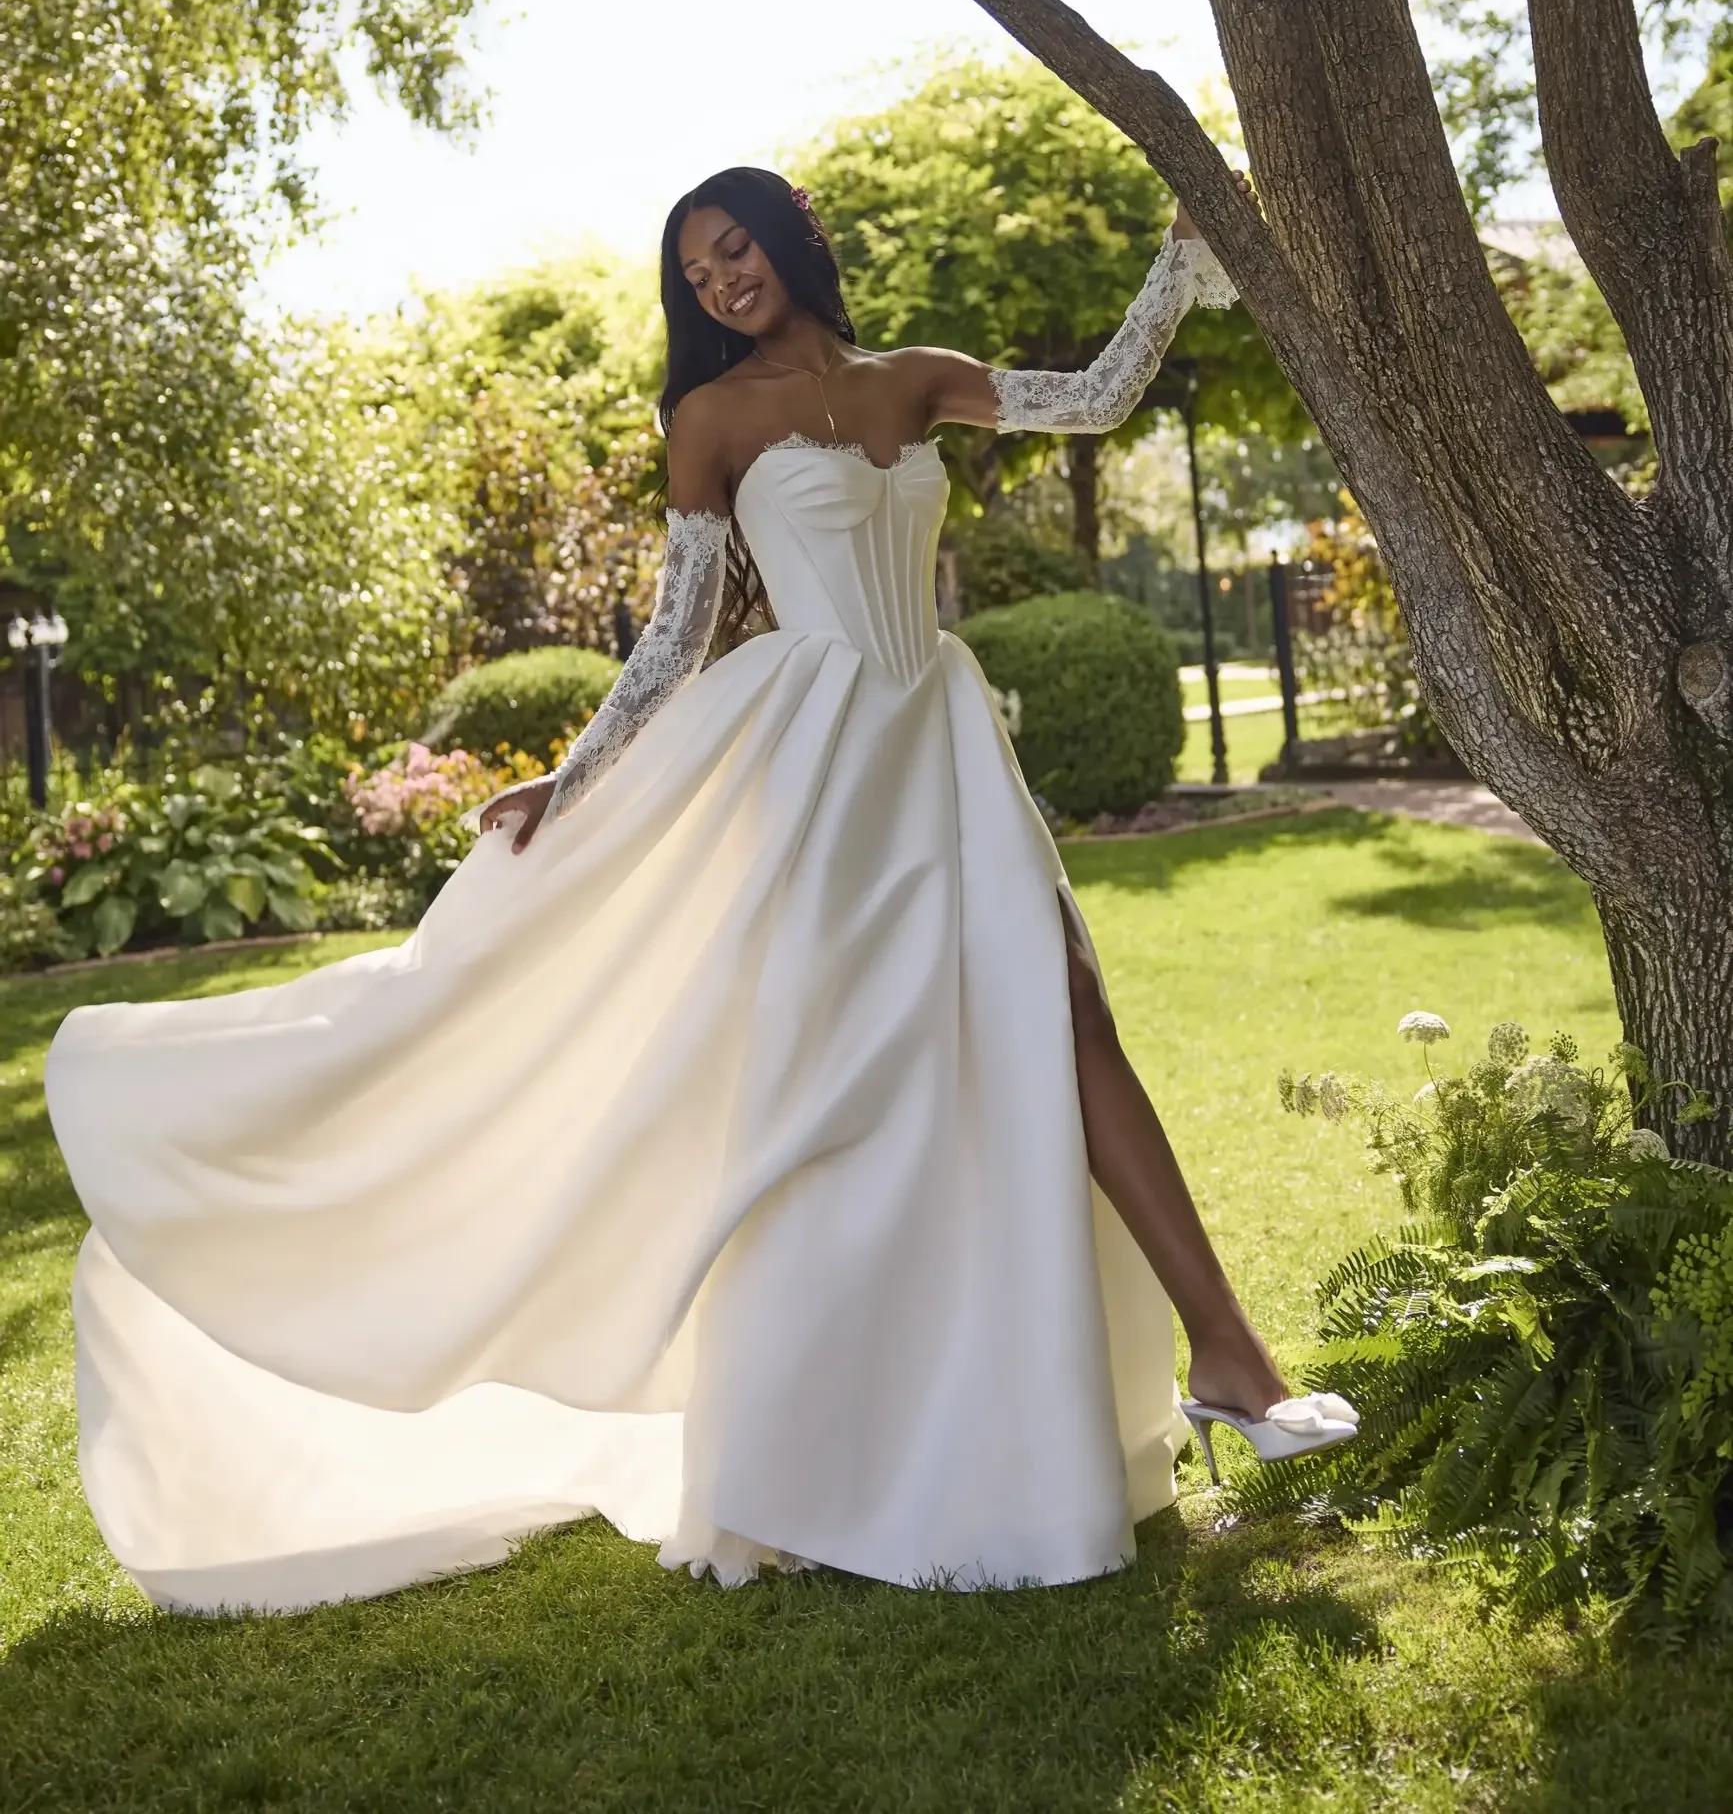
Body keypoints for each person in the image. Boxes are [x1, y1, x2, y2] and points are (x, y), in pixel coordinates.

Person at [46, 167, 1352, 1615]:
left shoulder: (917, 379)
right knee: (822, 1101)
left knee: (1069, 1015)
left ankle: (1229, 1355)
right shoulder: (709, 423)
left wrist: (1180, 260)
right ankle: (815, 1460)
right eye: (696, 271)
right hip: (816, 774)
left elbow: (1097, 396)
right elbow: (675, 641)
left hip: (938, 741)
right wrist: (570, 780)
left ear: (791, 241)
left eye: (736, 249)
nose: (721, 280)